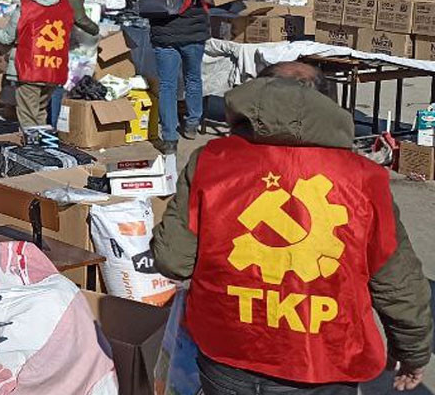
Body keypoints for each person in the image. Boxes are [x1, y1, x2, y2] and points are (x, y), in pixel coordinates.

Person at [152, 74, 431, 395]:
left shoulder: (211, 161)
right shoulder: (362, 177)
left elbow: (172, 260)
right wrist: (412, 352)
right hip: (324, 362)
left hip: (228, 354)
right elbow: (399, 285)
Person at [146, 0, 229, 155]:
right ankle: (192, 124)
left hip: (162, 29)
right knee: (193, 78)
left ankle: (169, 137)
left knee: (168, 85)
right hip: (191, 29)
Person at [0, 0, 71, 128]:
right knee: (39, 112)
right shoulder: (65, 9)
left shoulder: (26, 7)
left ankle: (32, 150)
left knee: (27, 117)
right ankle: (40, 148)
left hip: (29, 67)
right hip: (54, 68)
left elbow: (6, 38)